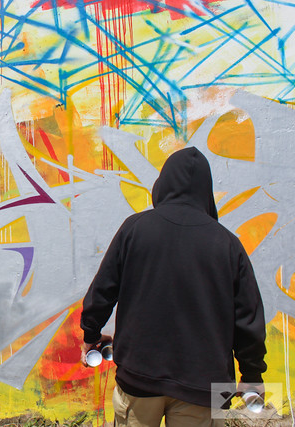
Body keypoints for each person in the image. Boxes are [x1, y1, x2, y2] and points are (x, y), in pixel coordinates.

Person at [80, 147, 267, 426]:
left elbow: (103, 291)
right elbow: (249, 321)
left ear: (163, 184)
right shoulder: (228, 245)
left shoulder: (134, 228)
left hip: (139, 376)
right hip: (206, 387)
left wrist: (91, 334)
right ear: (206, 192)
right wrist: (252, 375)